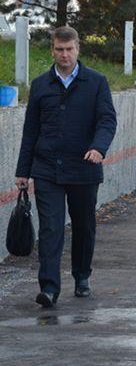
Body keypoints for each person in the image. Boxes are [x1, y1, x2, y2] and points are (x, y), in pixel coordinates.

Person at [15, 26, 117, 308]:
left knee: (84, 225)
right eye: (59, 50)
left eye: (69, 49)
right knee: (51, 228)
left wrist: (98, 148)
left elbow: (107, 120)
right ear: (52, 50)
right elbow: (30, 130)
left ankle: (82, 276)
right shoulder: (40, 85)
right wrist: (22, 170)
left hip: (84, 167)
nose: (64, 55)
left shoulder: (96, 82)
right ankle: (49, 288)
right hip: (47, 168)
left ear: (78, 48)